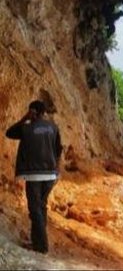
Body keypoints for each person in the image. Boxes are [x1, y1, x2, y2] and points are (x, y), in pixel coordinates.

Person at [5, 100, 62, 254]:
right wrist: (57, 169)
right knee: (41, 207)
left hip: (34, 174)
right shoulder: (53, 127)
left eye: (30, 111)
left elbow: (9, 133)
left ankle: (42, 246)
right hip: (50, 175)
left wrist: (25, 117)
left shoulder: (27, 127)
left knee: (34, 209)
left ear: (33, 112)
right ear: (44, 112)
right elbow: (58, 149)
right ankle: (36, 242)